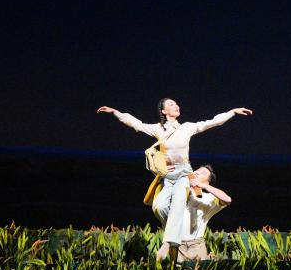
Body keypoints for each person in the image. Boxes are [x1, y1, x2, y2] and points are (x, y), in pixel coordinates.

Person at [97, 98, 252, 260]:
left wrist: (232, 112)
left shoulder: (187, 127)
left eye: (176, 104)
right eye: (171, 104)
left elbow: (212, 122)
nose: (176, 105)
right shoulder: (158, 129)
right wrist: (115, 112)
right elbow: (137, 124)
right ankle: (173, 234)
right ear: (163, 111)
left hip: (184, 174)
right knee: (159, 206)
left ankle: (171, 243)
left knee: (178, 205)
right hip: (167, 175)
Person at [177, 164, 231, 263]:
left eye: (203, 173)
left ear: (207, 181)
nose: (197, 172)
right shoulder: (178, 192)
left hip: (196, 247)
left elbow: (227, 200)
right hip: (176, 245)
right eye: (196, 170)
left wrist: (204, 186)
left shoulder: (208, 198)